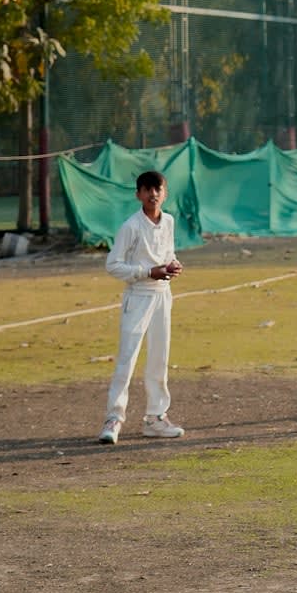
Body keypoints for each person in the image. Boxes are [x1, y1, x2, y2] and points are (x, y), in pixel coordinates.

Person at [97, 170, 185, 445]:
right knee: (127, 358)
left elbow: (167, 253)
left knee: (159, 357)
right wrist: (148, 272)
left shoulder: (168, 221)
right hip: (138, 296)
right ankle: (114, 418)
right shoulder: (131, 226)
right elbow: (113, 265)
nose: (153, 194)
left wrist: (173, 265)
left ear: (165, 193)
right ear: (138, 194)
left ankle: (156, 418)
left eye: (158, 189)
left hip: (162, 295)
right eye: (147, 190)